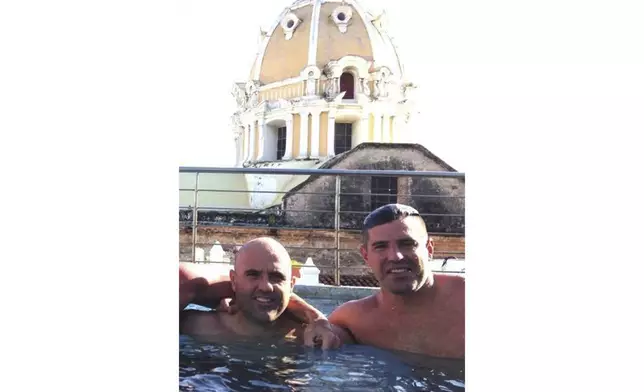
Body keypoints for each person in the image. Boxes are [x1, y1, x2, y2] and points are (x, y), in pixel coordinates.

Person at [328, 204, 464, 359]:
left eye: (407, 244)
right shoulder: (352, 320)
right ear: (365, 256)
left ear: (429, 248)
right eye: (381, 247)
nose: (395, 256)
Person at [180, 237, 341, 349]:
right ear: (234, 281)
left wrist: (317, 319)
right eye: (253, 275)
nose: (266, 287)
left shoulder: (316, 338)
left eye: (276, 277)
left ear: (292, 284)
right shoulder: (192, 328)